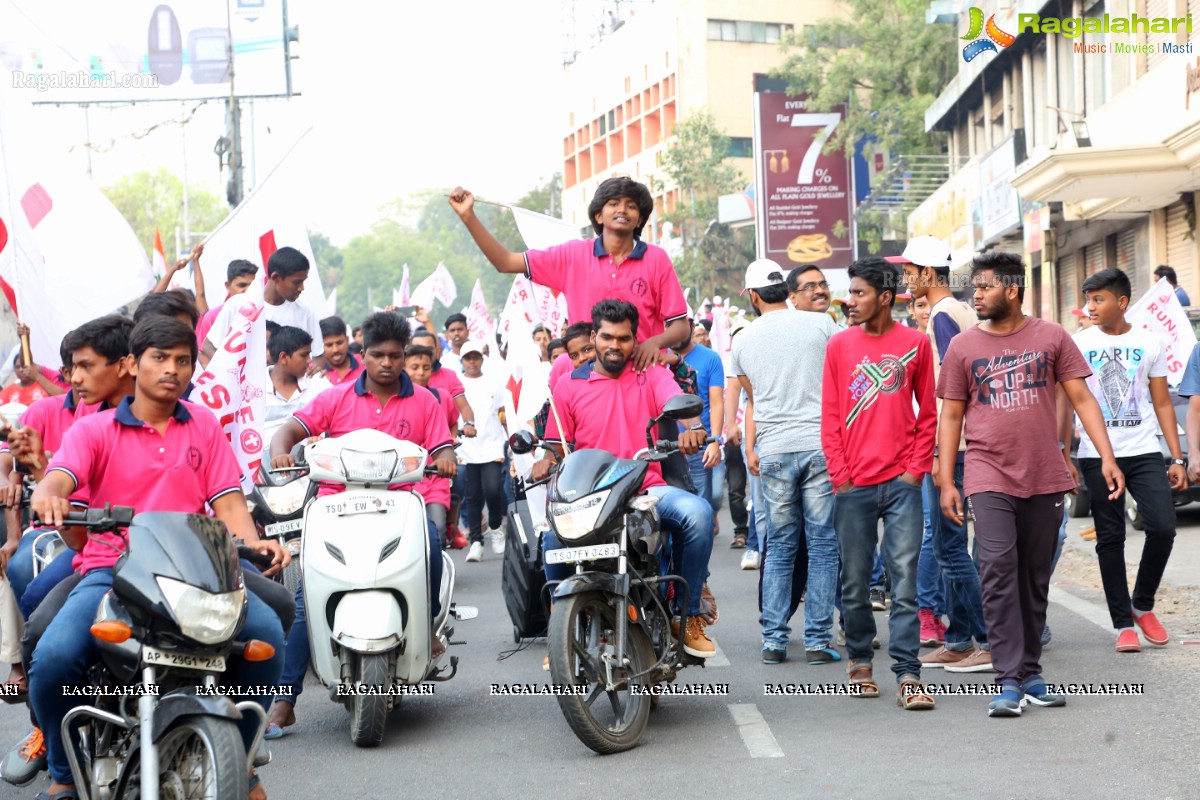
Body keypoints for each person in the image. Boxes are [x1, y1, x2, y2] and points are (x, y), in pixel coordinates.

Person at [28, 317, 289, 800]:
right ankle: (63, 773)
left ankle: (240, 756)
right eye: (160, 358)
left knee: (269, 634)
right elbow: (59, 478)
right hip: (113, 570)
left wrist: (255, 543)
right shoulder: (94, 430)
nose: (172, 369)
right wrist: (49, 494)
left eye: (182, 360)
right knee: (54, 657)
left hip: (198, 571)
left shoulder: (204, 424)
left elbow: (229, 502)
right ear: (133, 363)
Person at [937, 251, 1124, 717]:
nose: (975, 295)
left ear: (1012, 289)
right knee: (997, 565)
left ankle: (1030, 672)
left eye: (984, 287)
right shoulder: (963, 346)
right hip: (987, 471)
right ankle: (1006, 679)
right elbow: (951, 415)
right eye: (974, 288)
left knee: (1034, 575)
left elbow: (1081, 397)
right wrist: (945, 478)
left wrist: (1106, 456)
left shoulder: (1052, 336)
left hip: (1043, 473)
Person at [266, 312, 455, 737]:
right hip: (337, 508)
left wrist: (445, 461)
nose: (386, 363)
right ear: (362, 355)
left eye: (395, 355)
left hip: (402, 505)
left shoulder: (425, 400)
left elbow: (444, 448)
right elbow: (291, 431)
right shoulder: (334, 397)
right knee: (302, 594)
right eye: (377, 355)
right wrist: (280, 452)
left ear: (404, 356)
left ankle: (425, 628)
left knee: (432, 544)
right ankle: (284, 699)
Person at [533, 300, 715, 656]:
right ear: (593, 337)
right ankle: (561, 625)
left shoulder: (651, 373)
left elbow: (678, 401)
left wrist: (693, 428)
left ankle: (687, 615)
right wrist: (545, 458)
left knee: (699, 514)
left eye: (624, 338)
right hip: (588, 497)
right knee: (551, 539)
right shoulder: (569, 385)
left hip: (646, 490)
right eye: (607, 337)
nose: (615, 345)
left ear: (635, 340)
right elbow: (555, 444)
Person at [821, 258, 937, 708]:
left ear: (885, 298)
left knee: (904, 581)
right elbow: (830, 415)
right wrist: (841, 477)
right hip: (853, 486)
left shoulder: (915, 344)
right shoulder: (839, 346)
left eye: (858, 293)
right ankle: (860, 663)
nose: (849, 301)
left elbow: (928, 412)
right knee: (854, 581)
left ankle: (909, 675)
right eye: (849, 293)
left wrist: (914, 470)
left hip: (902, 484)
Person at [449, 177, 690, 369]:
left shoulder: (656, 258)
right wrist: (468, 217)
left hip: (644, 376)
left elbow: (681, 326)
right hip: (589, 379)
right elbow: (505, 262)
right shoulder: (572, 255)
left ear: (639, 220)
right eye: (614, 204)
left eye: (631, 206)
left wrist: (654, 343)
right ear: (598, 215)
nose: (622, 210)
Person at [732, 259, 840, 665]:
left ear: (754, 296)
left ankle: (774, 640)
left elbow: (754, 399)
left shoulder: (742, 340)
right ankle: (816, 640)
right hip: (819, 447)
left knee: (779, 546)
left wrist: (752, 447)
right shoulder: (823, 325)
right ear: (785, 289)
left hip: (775, 449)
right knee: (823, 544)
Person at [1072, 268, 1182, 653]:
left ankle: (1142, 604)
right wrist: (1060, 450)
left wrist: (1178, 457)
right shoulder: (1079, 343)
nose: (1091, 307)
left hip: (1143, 449)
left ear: (1121, 302)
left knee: (1163, 527)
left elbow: (1163, 401)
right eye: (1088, 299)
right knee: (1110, 537)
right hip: (1096, 453)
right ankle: (1123, 624)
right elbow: (1067, 399)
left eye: (1098, 299)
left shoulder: (1150, 341)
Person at [202, 247, 324, 372]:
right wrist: (232, 373)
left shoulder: (305, 312)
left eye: (303, 282)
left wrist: (311, 372)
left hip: (289, 391)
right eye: (297, 282)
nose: (301, 288)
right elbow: (209, 345)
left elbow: (318, 355)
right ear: (276, 277)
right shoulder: (237, 305)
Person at [456, 342, 507, 562]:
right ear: (462, 360)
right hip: (466, 446)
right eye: (468, 358)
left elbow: (503, 412)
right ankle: (476, 541)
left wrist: (511, 438)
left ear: (482, 358)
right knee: (473, 494)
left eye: (476, 357)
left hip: (492, 443)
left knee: (493, 489)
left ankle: (495, 526)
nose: (473, 362)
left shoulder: (494, 382)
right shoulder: (457, 384)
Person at [670, 319, 724, 520]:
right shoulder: (657, 359)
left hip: (699, 445)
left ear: (690, 327)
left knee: (704, 507)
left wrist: (715, 440)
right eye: (667, 327)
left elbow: (717, 402)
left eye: (677, 327)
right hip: (668, 447)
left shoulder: (710, 358)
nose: (672, 332)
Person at [265, 326, 332, 443]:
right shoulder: (253, 388)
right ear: (284, 357)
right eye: (304, 355)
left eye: (309, 355)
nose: (309, 361)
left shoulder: (318, 381)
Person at [195, 258, 258, 347]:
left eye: (252, 286)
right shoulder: (212, 317)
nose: (247, 290)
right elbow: (202, 354)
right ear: (228, 286)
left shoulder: (263, 313)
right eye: (242, 285)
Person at [320, 315, 363, 386]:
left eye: (339, 343)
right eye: (329, 345)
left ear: (347, 340)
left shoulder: (365, 364)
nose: (335, 350)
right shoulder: (314, 372)